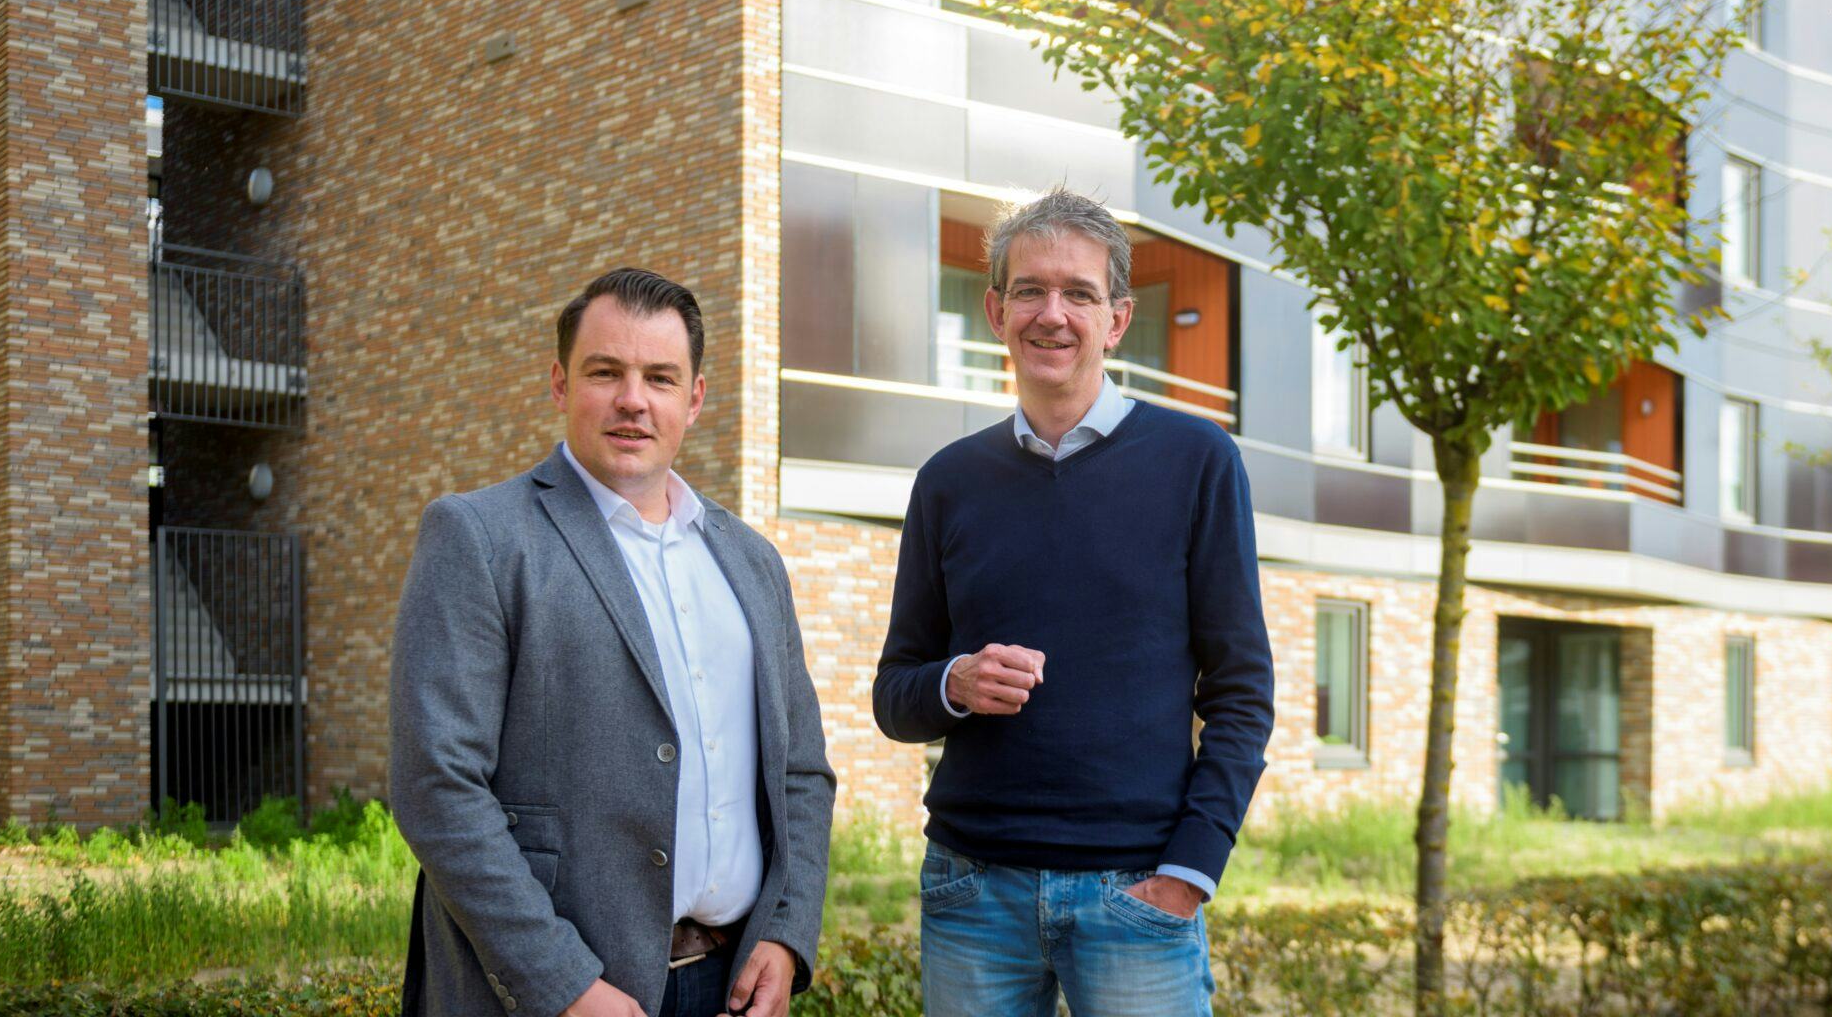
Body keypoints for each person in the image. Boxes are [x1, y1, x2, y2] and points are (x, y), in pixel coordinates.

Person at [874, 188, 1275, 1017]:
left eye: (1079, 293)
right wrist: (955, 682)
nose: (1051, 314)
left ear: (1117, 319)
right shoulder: (947, 482)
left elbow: (1241, 691)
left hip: (1139, 895)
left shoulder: (1197, 461)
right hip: (972, 891)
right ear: (994, 309)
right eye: (1029, 290)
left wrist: (1190, 873)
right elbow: (895, 696)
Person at [391, 268, 834, 1017]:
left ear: (694, 399)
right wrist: (562, 983)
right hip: (555, 996)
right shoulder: (481, 539)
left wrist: (788, 934)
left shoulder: (751, 560)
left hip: (730, 986)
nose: (634, 399)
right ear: (561, 384)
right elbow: (437, 789)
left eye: (661, 377)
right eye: (607, 372)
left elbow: (801, 773)